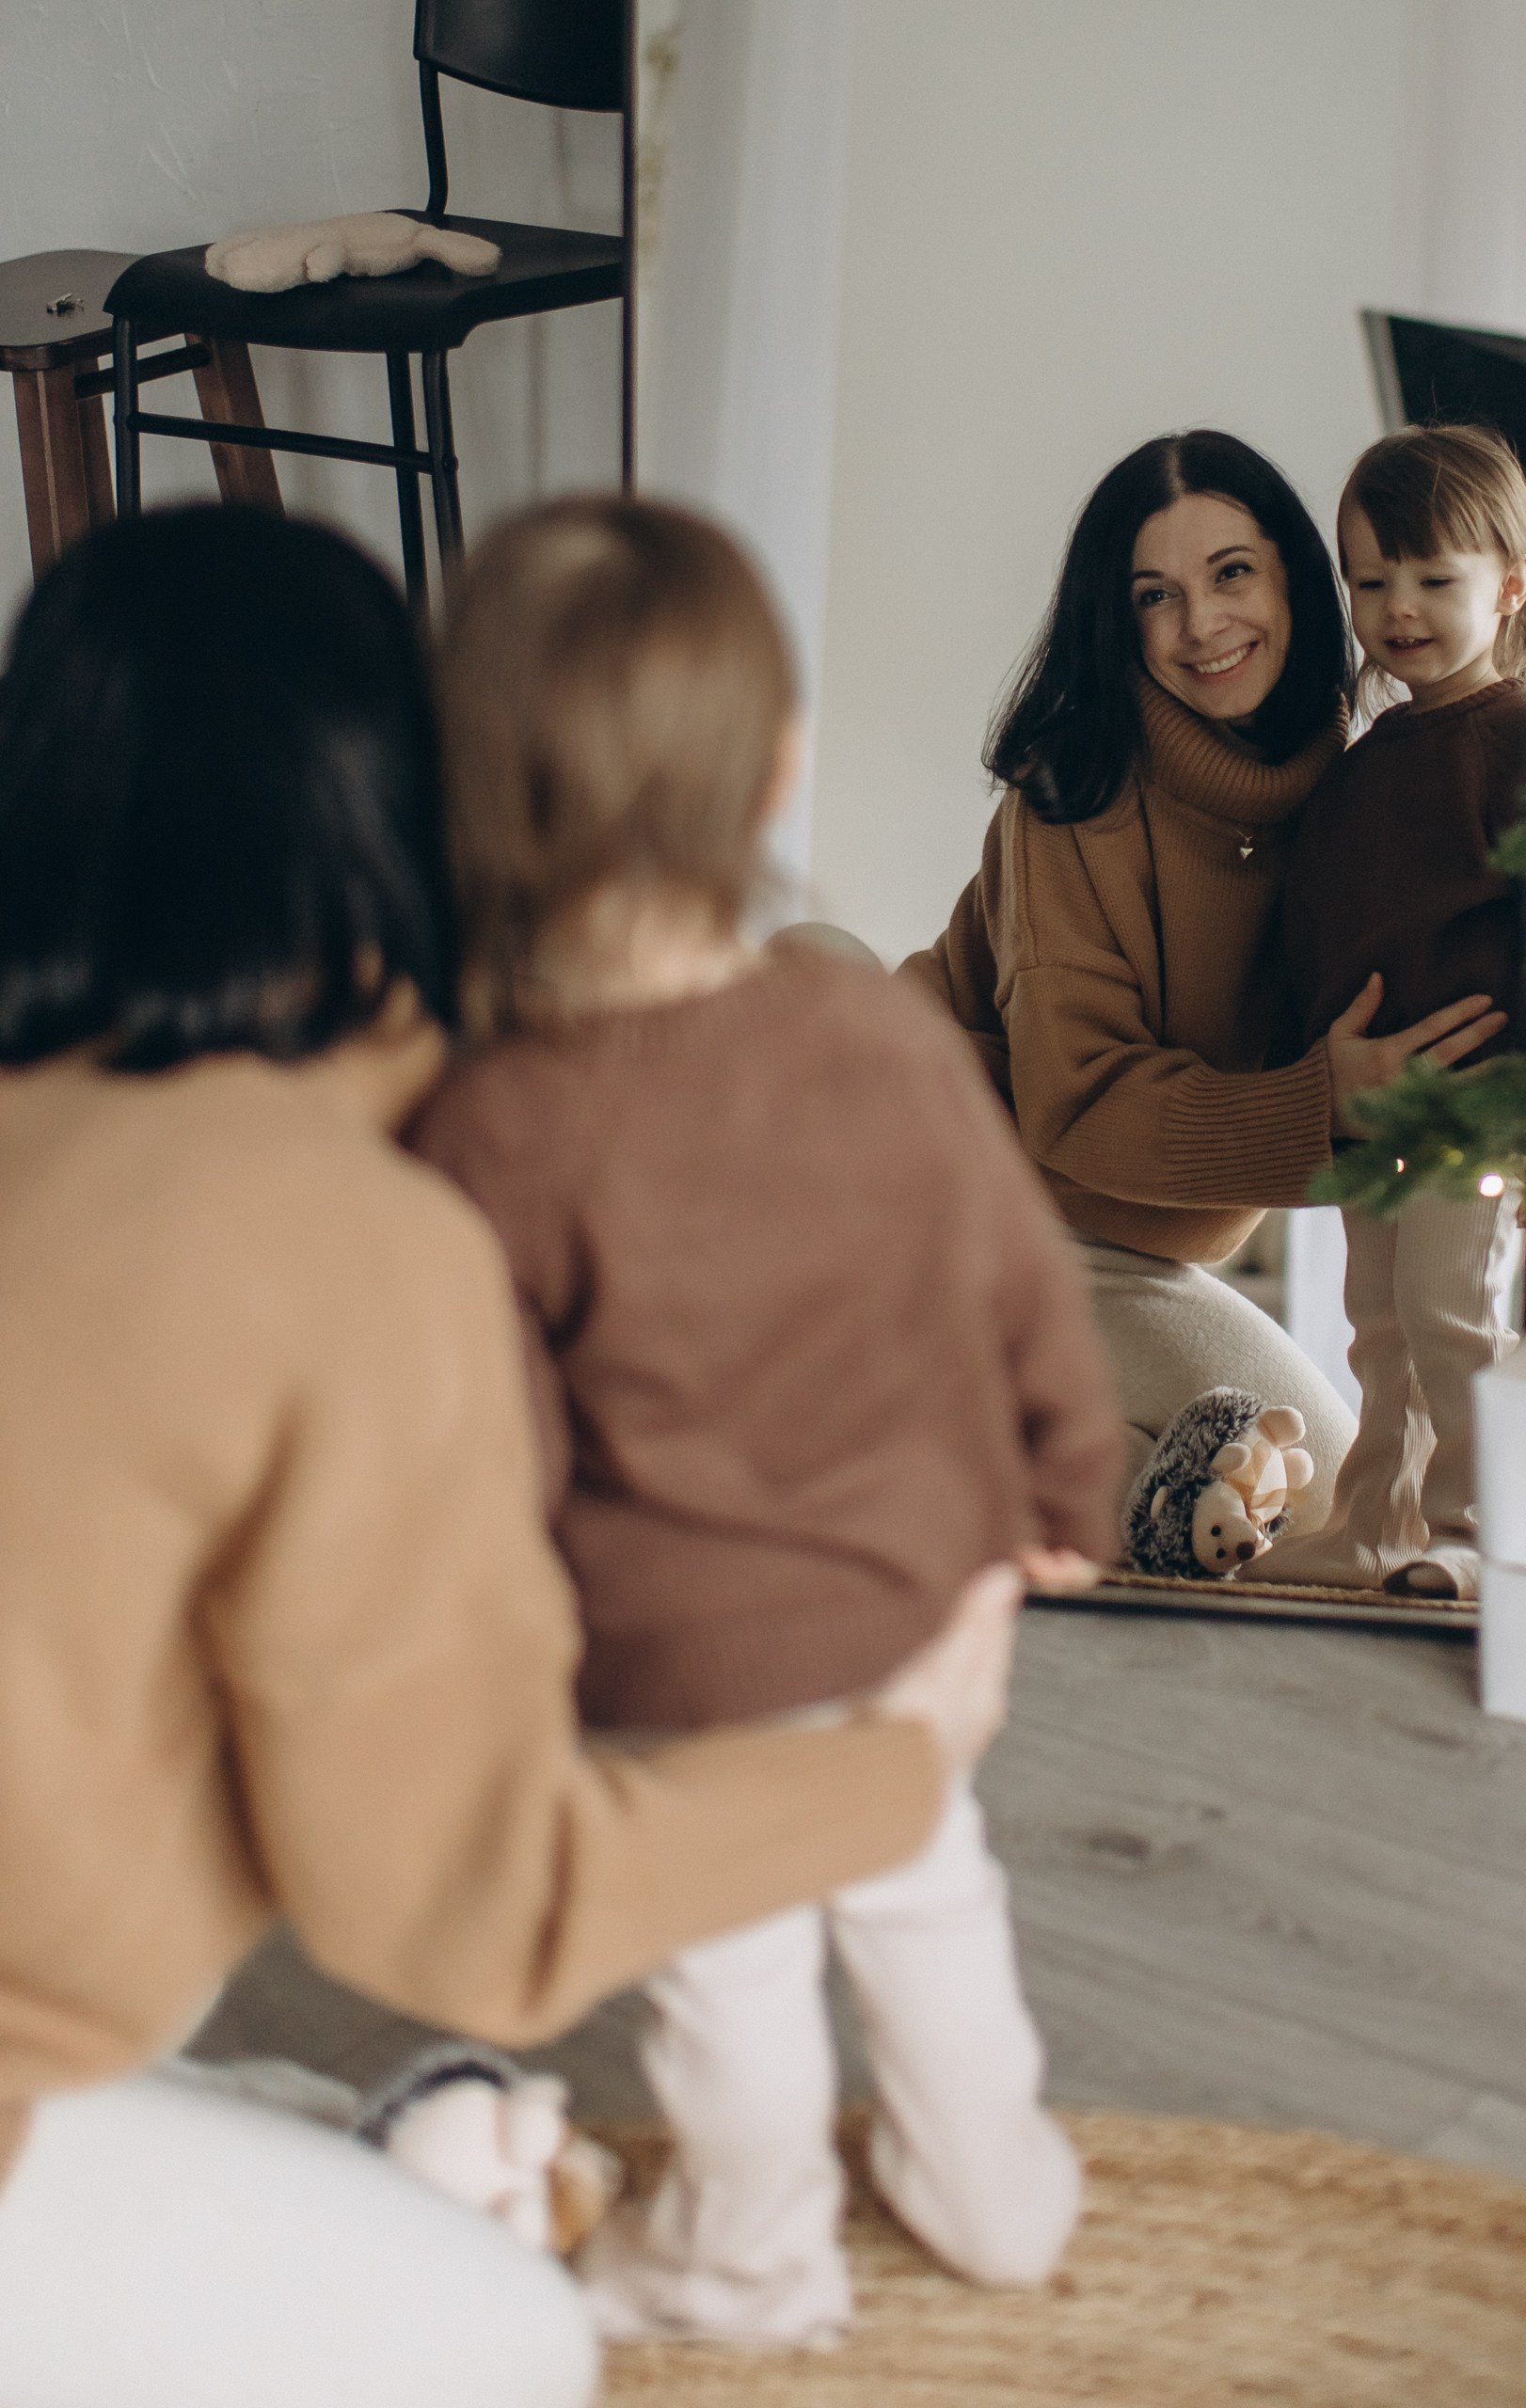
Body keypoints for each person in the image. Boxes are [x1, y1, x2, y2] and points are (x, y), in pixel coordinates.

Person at [0, 504, 1020, 2408]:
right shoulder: (354, 1242)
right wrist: (899, 1772)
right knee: (518, 2342)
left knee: (287, 2119)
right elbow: (465, 1907)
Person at [410, 498, 1121, 2354]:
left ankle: (753, 2258)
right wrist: (1064, 1483)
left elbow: (490, 1446)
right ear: (778, 767)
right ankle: (999, 2197)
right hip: (907, 1600)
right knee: (928, 1904)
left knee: (724, 1972)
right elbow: (1017, 1276)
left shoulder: (492, 1125)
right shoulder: (872, 1034)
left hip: (678, 1656)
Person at [907, 429, 1505, 1531]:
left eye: (1231, 574)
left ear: (1293, 580)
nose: (1201, 627)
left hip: (1134, 1252)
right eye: (1154, 595)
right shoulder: (1073, 796)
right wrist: (1324, 1101)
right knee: (1326, 1518)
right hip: (962, 1201)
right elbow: (1075, 1102)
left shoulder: (1359, 797)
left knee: (1330, 1503)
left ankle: (1028, 1452)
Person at [1264, 425, 1526, 1599]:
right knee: (1376, 1320)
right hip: (1375, 1111)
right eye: (1371, 581)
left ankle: (1483, 1535)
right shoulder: (1367, 760)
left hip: (1475, 1110)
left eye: (1436, 579)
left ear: (1511, 585)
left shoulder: (1519, 737)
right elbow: (1333, 915)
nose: (1400, 609)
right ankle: (1374, 1524)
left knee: (1452, 1316)